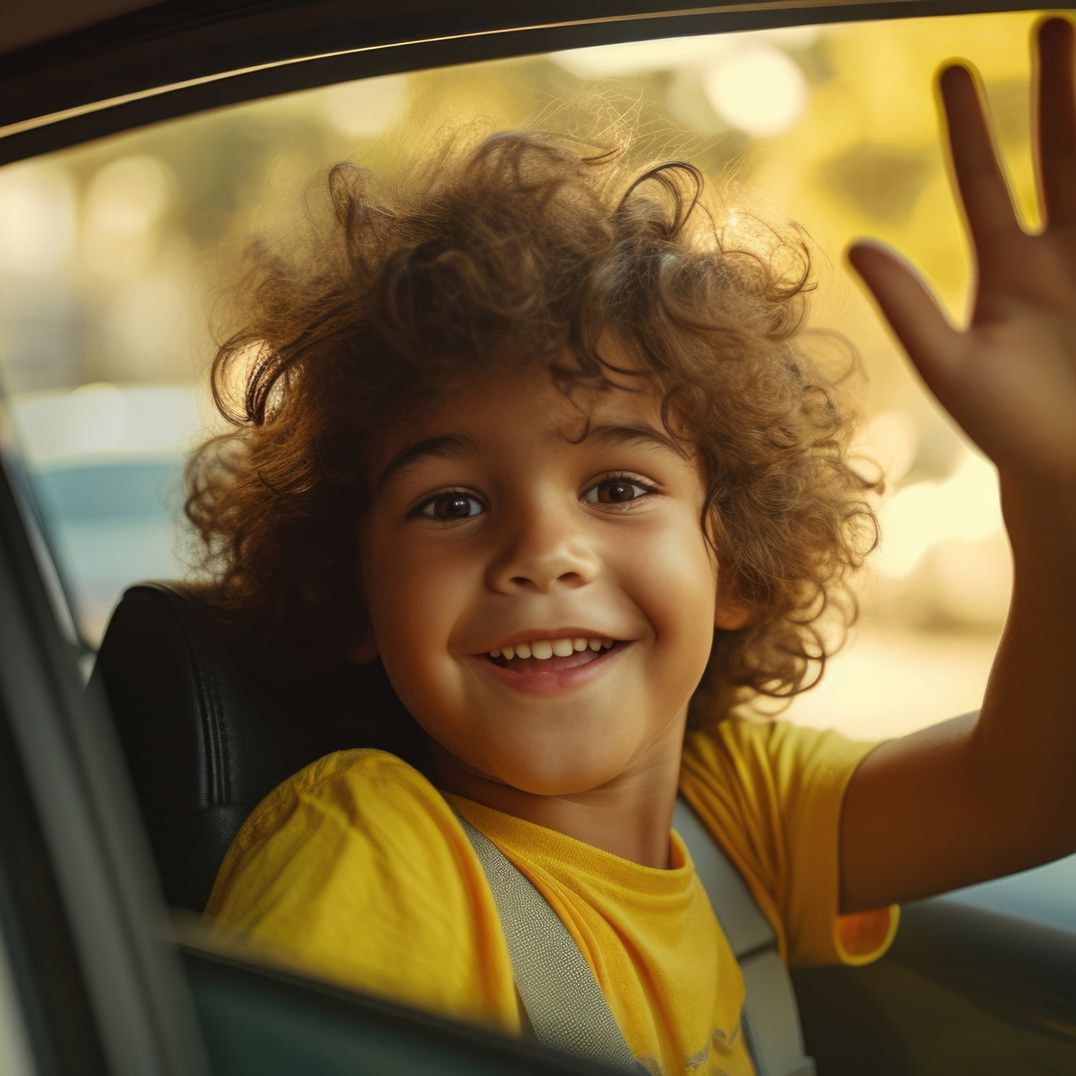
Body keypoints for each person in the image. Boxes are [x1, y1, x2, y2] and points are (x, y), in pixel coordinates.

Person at [194, 17, 1076, 1075]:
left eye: (615, 485)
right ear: (349, 590)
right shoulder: (369, 852)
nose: (543, 550)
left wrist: (1055, 485)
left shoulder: (733, 809)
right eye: (448, 503)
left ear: (736, 561)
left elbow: (1030, 788)